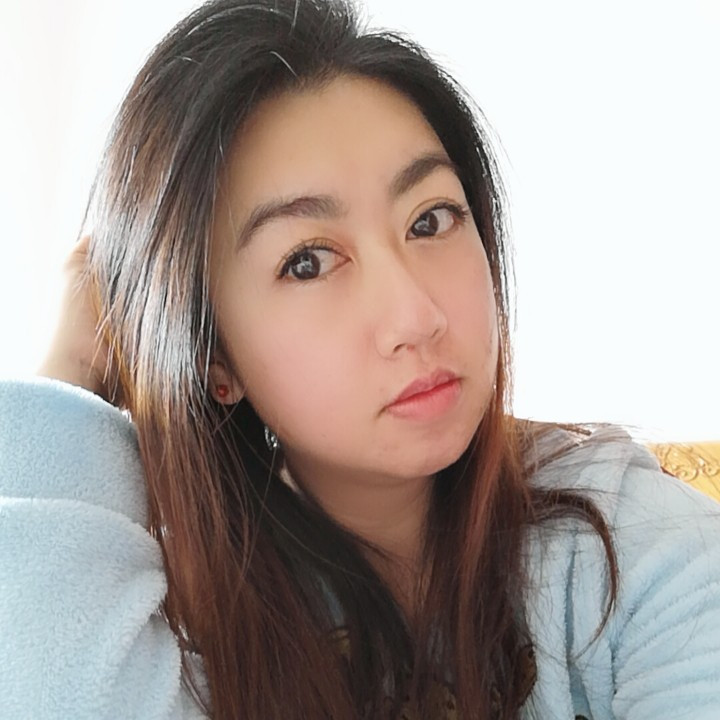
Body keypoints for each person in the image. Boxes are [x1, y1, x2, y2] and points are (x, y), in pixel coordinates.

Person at [1, 0, 719, 718]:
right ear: (214, 357)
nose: (416, 316)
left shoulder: (629, 545)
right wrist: (71, 368)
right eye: (308, 262)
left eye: (430, 220)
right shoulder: (177, 618)